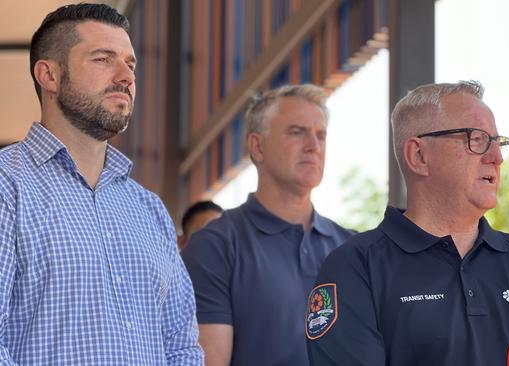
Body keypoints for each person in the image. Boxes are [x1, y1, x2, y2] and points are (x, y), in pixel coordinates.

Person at [305, 81, 509, 365]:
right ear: (419, 156)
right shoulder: (356, 267)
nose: (497, 158)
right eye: (476, 139)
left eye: (498, 142)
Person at [0, 4, 203, 364]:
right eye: (103, 59)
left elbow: (181, 344)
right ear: (48, 75)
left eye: (130, 63)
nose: (126, 75)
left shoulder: (149, 209)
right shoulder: (7, 186)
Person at [181, 84, 353, 366]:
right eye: (297, 132)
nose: (314, 146)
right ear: (257, 146)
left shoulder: (353, 248)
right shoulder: (214, 246)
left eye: (320, 135)